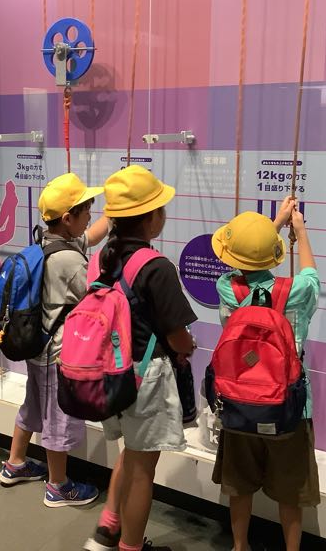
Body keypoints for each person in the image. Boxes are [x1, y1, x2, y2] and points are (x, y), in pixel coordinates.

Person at [84, 166, 197, 551]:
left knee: (130, 453)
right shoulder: (155, 266)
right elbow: (178, 338)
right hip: (144, 376)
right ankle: (130, 546)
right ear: (150, 218)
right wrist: (188, 347)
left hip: (107, 371)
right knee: (142, 471)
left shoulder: (101, 258)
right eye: (160, 208)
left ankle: (109, 525)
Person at [211, 198, 320, 551]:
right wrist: (298, 229)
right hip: (288, 407)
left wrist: (271, 226)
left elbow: (244, 261)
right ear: (274, 255)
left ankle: (239, 545)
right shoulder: (297, 291)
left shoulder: (227, 288)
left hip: (238, 403)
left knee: (239, 485)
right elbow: (312, 276)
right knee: (291, 490)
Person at [0, 173, 108, 507]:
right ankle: (58, 485)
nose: (91, 215)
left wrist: (114, 213)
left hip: (38, 347)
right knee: (58, 417)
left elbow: (90, 235)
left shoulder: (45, 243)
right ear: (68, 218)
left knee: (32, 405)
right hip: (58, 354)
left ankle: (15, 463)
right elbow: (94, 297)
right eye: (86, 210)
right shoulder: (70, 260)